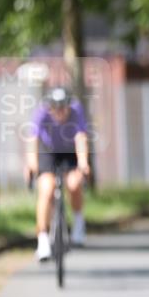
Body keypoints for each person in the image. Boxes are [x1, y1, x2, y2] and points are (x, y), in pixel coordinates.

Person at [24, 86, 90, 261]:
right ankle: (43, 240)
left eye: (63, 108)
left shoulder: (76, 110)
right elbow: (33, 139)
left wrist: (83, 162)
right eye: (56, 109)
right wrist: (32, 164)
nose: (60, 112)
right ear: (50, 107)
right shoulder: (41, 112)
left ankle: (78, 223)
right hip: (49, 152)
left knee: (74, 184)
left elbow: (81, 138)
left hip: (69, 152)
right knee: (46, 189)